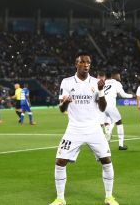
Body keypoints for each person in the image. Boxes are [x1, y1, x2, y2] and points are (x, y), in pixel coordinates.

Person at [50, 52, 119, 205]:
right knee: (60, 161)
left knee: (106, 160)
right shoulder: (67, 82)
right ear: (77, 64)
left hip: (94, 128)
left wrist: (101, 91)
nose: (86, 65)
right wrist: (66, 102)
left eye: (88, 62)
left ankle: (109, 197)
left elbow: (102, 108)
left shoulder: (96, 82)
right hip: (74, 129)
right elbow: (62, 109)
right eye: (83, 62)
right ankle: (60, 199)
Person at [103, 72, 133, 150]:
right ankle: (121, 145)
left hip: (102, 106)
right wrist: (132, 95)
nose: (119, 76)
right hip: (111, 106)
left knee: (107, 122)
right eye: (118, 75)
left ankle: (107, 137)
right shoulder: (116, 83)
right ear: (113, 76)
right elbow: (123, 95)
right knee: (119, 123)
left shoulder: (103, 83)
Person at [97, 72, 112, 136]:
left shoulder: (95, 84)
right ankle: (108, 133)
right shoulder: (107, 84)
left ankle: (100, 136)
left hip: (100, 105)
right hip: (108, 105)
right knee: (107, 122)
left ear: (98, 77)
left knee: (100, 122)